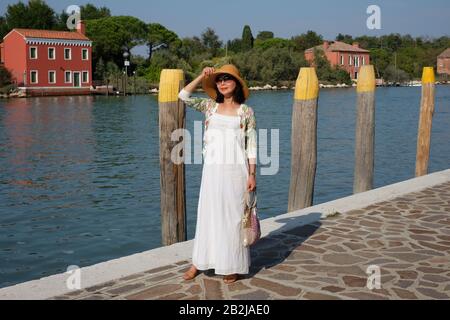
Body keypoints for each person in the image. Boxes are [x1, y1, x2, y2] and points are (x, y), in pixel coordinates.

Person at [178, 64, 257, 284]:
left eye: (227, 79)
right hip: (212, 170)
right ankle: (198, 262)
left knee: (232, 218)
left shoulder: (246, 112)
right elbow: (183, 96)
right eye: (219, 80)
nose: (222, 83)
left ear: (236, 84)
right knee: (208, 215)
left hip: (236, 171)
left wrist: (252, 174)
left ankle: (231, 264)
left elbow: (251, 146)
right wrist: (200, 75)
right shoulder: (209, 107)